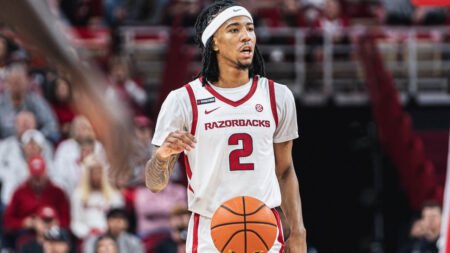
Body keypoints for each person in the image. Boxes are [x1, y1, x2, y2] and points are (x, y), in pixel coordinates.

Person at [145, 1, 306, 252]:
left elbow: (284, 171)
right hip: (210, 234)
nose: (246, 36)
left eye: (250, 29)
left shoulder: (278, 96)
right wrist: (162, 155)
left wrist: (297, 232)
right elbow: (154, 184)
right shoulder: (183, 100)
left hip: (265, 229)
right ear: (215, 43)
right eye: (234, 29)